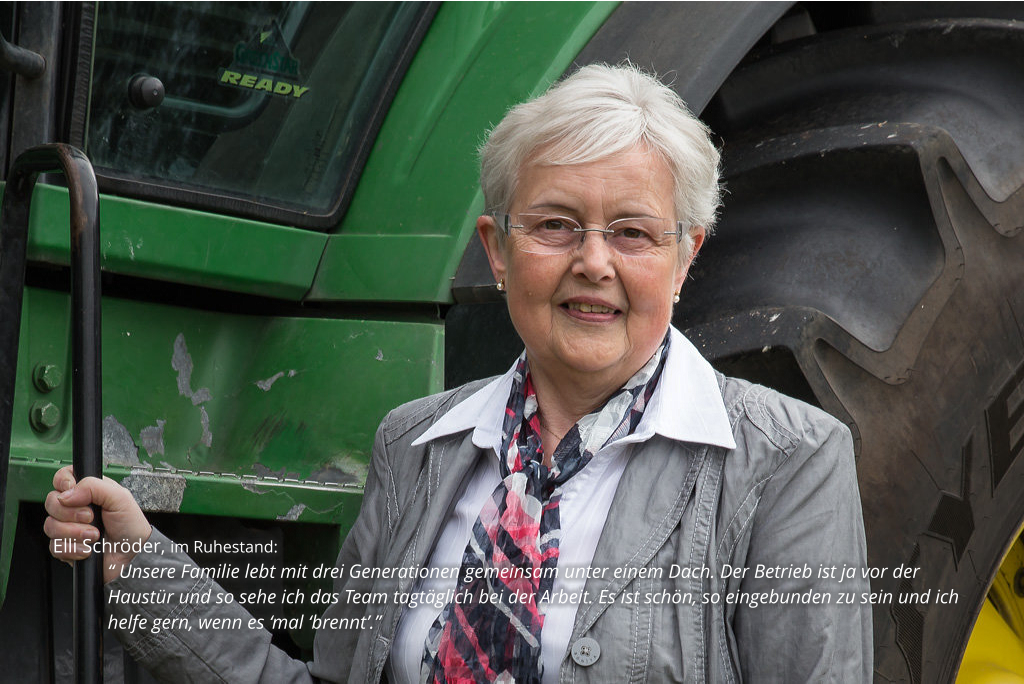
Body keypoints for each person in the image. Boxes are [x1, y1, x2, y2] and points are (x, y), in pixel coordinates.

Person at [45, 63, 871, 682]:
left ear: (685, 255)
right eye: (554, 226)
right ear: (497, 251)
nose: (593, 263)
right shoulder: (414, 445)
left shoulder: (789, 462)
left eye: (632, 233)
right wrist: (142, 566)